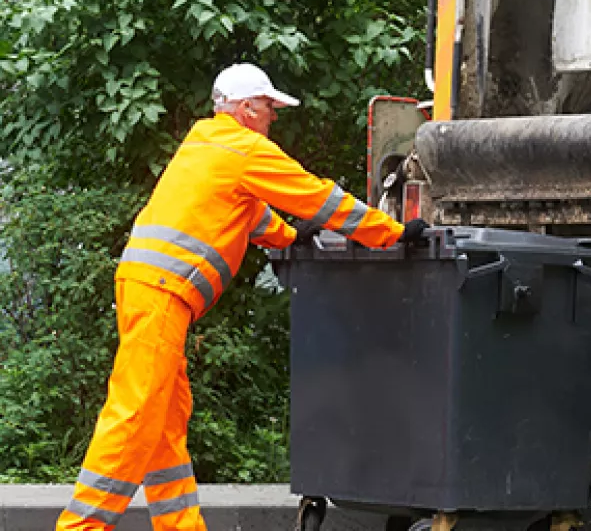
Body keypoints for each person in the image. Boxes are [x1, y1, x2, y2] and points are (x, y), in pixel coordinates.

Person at [57, 63, 427, 531]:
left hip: (148, 289)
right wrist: (391, 233)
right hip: (161, 294)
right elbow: (319, 198)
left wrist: (291, 238)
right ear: (247, 108)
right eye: (270, 108)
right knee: (135, 414)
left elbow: (252, 218)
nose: (274, 117)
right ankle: (81, 526)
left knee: (166, 425)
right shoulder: (244, 148)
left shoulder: (207, 145)